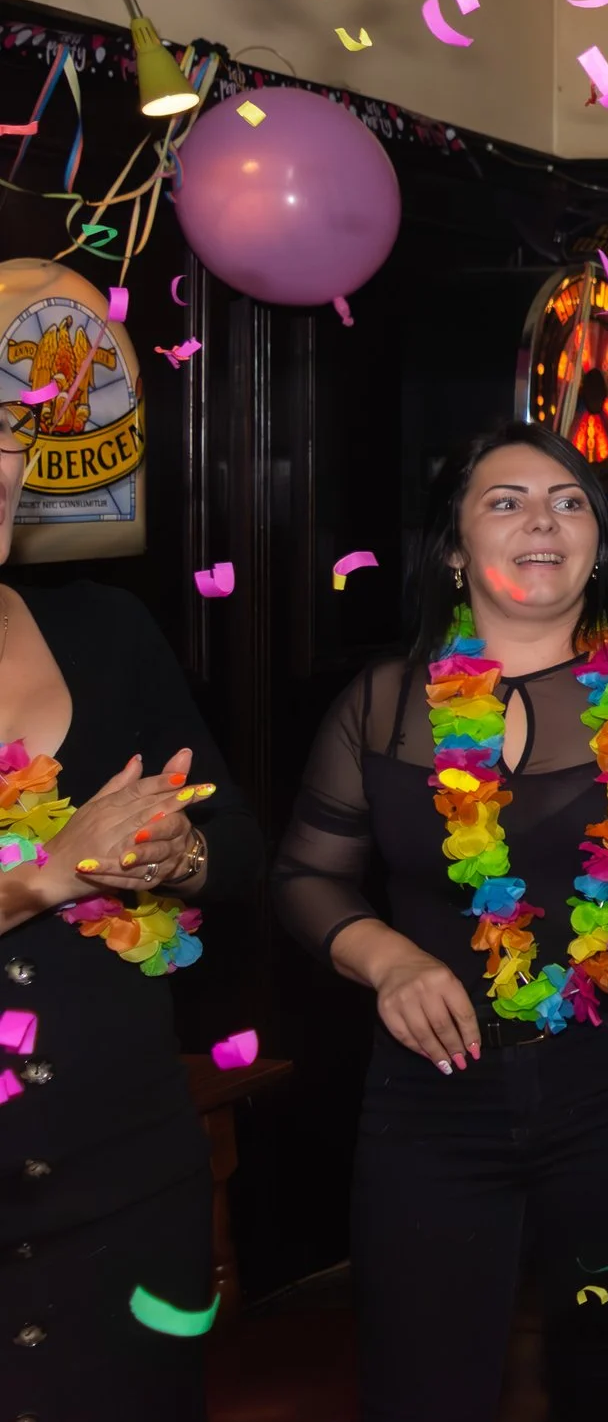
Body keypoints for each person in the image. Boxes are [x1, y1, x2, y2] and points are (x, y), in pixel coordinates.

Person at [270, 423, 608, 1422]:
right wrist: (387, 959)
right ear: (455, 547)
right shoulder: (380, 706)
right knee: (422, 1385)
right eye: (505, 499)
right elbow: (302, 875)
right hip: (433, 1096)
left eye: (568, 499)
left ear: (596, 541)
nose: (541, 517)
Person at [0, 394, 265, 1421]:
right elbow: (62, 864)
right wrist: (48, 873)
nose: (3, 470)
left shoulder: (107, 629)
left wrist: (182, 852)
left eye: (7, 447)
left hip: (125, 1167)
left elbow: (237, 841)